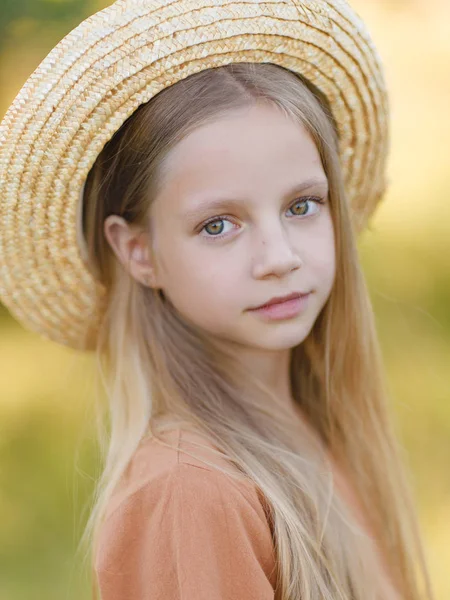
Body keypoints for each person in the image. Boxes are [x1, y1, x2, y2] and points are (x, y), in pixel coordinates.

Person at [0, 1, 434, 599]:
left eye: (301, 205)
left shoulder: (306, 431)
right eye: (218, 225)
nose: (279, 256)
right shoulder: (191, 490)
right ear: (138, 251)